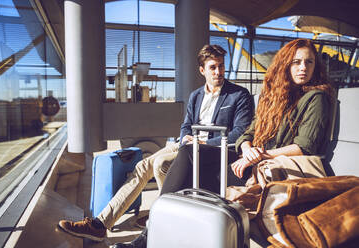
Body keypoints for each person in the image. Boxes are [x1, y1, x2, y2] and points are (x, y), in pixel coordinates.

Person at [113, 38, 335, 248]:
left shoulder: (316, 97)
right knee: (186, 156)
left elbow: (305, 146)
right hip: (249, 158)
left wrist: (258, 155)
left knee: (187, 168)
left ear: (316, 66)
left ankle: (154, 234)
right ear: (286, 65)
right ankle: (154, 232)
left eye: (309, 62)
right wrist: (247, 148)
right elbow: (247, 133)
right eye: (296, 62)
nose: (303, 67)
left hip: (270, 165)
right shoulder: (274, 97)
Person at [58, 44, 253, 242]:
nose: (218, 71)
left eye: (221, 66)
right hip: (189, 145)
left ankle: (160, 220)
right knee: (143, 165)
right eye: (213, 67)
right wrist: (186, 139)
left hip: (213, 149)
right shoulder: (196, 96)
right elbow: (186, 125)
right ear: (202, 70)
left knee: (160, 164)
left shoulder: (239, 94)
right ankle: (100, 224)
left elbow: (240, 132)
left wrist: (204, 141)